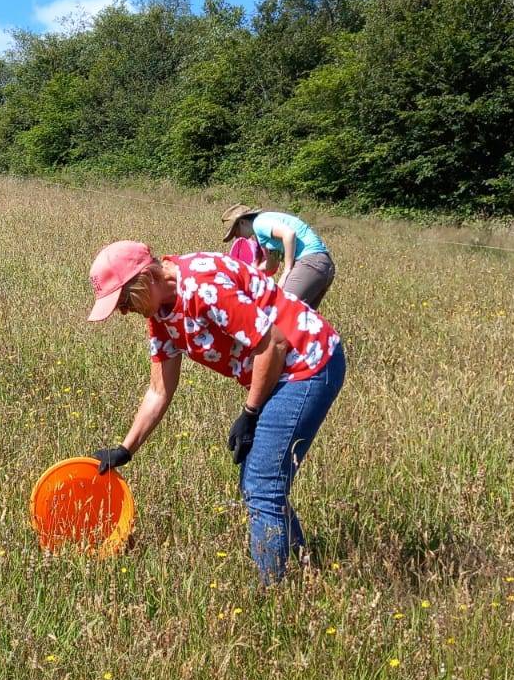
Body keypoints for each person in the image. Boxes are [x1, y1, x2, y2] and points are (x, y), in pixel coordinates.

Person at [87, 241, 345, 583]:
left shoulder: (203, 286)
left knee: (263, 484)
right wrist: (125, 449)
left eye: (123, 300)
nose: (122, 311)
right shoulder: (161, 314)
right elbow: (159, 389)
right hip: (279, 370)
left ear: (147, 276)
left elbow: (274, 343)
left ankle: (276, 592)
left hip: (307, 363)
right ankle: (305, 569)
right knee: (258, 484)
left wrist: (250, 413)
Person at [221, 204, 335, 308]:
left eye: (235, 232)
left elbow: (289, 234)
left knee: (281, 311)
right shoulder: (263, 236)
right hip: (322, 265)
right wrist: (250, 270)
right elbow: (271, 266)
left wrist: (287, 271)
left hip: (310, 262)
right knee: (300, 322)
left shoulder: (259, 223)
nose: (236, 237)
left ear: (242, 222)